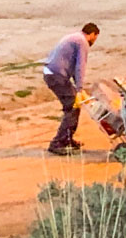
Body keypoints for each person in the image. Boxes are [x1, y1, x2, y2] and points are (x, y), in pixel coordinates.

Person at [42, 23, 99, 155]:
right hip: (56, 76)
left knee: (75, 106)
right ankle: (57, 143)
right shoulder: (82, 42)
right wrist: (79, 89)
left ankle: (67, 139)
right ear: (92, 35)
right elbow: (80, 66)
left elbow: (72, 66)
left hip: (53, 74)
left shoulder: (74, 38)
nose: (94, 41)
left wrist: (78, 88)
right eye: (95, 38)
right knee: (72, 107)